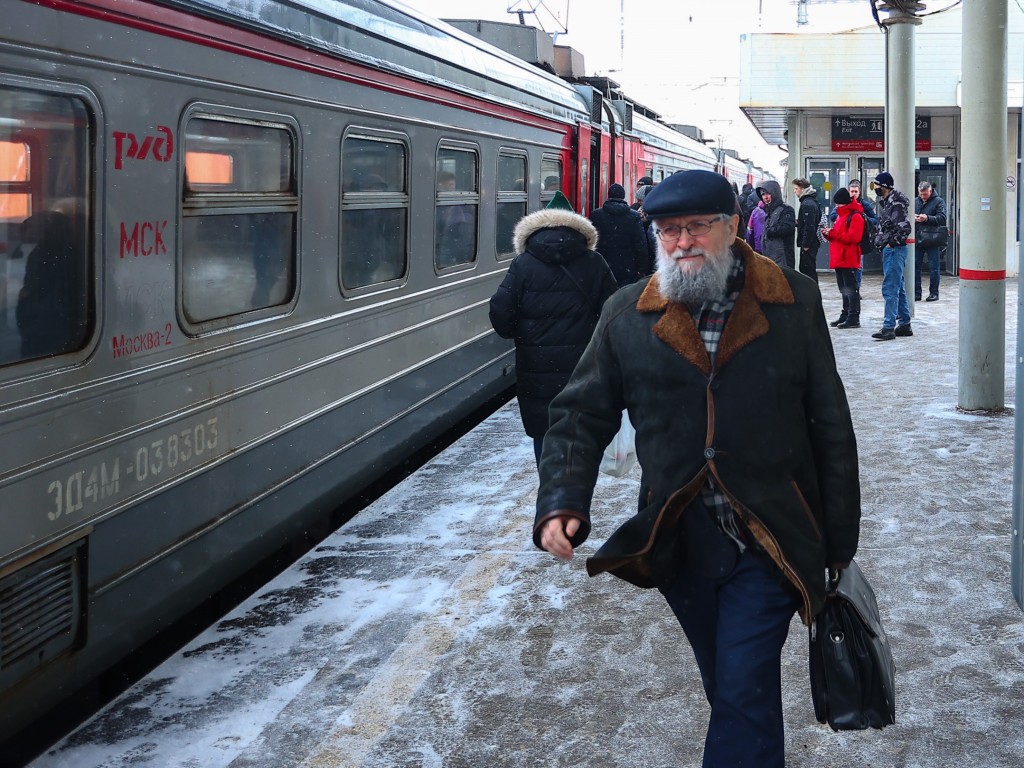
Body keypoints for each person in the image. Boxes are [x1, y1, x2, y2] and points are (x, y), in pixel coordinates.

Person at [534, 169, 860, 768]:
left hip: (771, 532)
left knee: (741, 688)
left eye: (696, 227)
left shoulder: (792, 300)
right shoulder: (627, 313)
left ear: (733, 227)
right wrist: (562, 501)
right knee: (731, 687)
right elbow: (579, 414)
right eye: (667, 230)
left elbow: (829, 423)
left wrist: (837, 542)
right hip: (680, 540)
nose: (680, 241)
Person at [489, 195, 617, 466]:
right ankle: (577, 496)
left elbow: (501, 315)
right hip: (584, 368)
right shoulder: (595, 263)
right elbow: (613, 315)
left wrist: (525, 335)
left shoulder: (523, 264)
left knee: (545, 433)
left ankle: (550, 493)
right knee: (581, 433)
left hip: (537, 368)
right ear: (578, 228)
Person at [871, 171, 913, 341]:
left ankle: (888, 327)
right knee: (898, 287)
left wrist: (891, 243)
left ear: (885, 187)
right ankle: (904, 323)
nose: (875, 188)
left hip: (894, 251)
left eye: (877, 185)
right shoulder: (889, 202)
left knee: (890, 288)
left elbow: (905, 228)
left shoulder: (895, 204)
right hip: (893, 250)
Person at [588, 183, 650, 287]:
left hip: (603, 264)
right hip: (628, 267)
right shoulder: (634, 216)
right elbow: (641, 244)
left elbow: (591, 241)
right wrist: (642, 269)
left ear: (608, 195)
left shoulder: (596, 215)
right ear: (623, 196)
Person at [821, 187, 864, 328]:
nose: (836, 206)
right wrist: (829, 234)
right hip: (841, 257)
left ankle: (853, 317)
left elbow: (854, 237)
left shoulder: (855, 216)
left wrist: (832, 233)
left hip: (848, 258)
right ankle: (846, 314)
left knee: (850, 288)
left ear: (844, 203)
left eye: (838, 204)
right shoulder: (842, 216)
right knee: (844, 288)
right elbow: (840, 235)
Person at [831, 179, 878, 288]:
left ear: (859, 191)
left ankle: (857, 287)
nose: (853, 194)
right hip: (845, 240)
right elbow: (833, 215)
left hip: (859, 240)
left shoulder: (864, 205)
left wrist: (864, 220)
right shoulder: (843, 204)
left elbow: (875, 219)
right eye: (852, 191)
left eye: (856, 191)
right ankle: (852, 288)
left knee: (858, 266)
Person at [914, 181, 948, 301]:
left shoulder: (938, 201)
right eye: (921, 194)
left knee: (934, 267)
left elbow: (942, 218)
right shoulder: (915, 201)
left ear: (930, 191)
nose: (923, 197)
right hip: (918, 238)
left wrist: (927, 218)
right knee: (915, 267)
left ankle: (934, 292)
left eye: (925, 194)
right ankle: (916, 292)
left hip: (932, 239)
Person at [757, 180, 795, 269]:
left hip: (782, 257)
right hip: (770, 256)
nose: (765, 197)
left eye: (768, 194)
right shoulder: (769, 210)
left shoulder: (786, 209)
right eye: (763, 194)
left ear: (774, 193)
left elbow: (788, 227)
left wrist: (770, 232)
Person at [792, 177, 821, 282]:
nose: (794, 191)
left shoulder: (807, 204)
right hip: (811, 243)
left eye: (796, 188)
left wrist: (806, 245)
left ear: (802, 189)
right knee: (808, 270)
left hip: (809, 245)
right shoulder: (811, 201)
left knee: (807, 270)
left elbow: (809, 226)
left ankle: (812, 295)